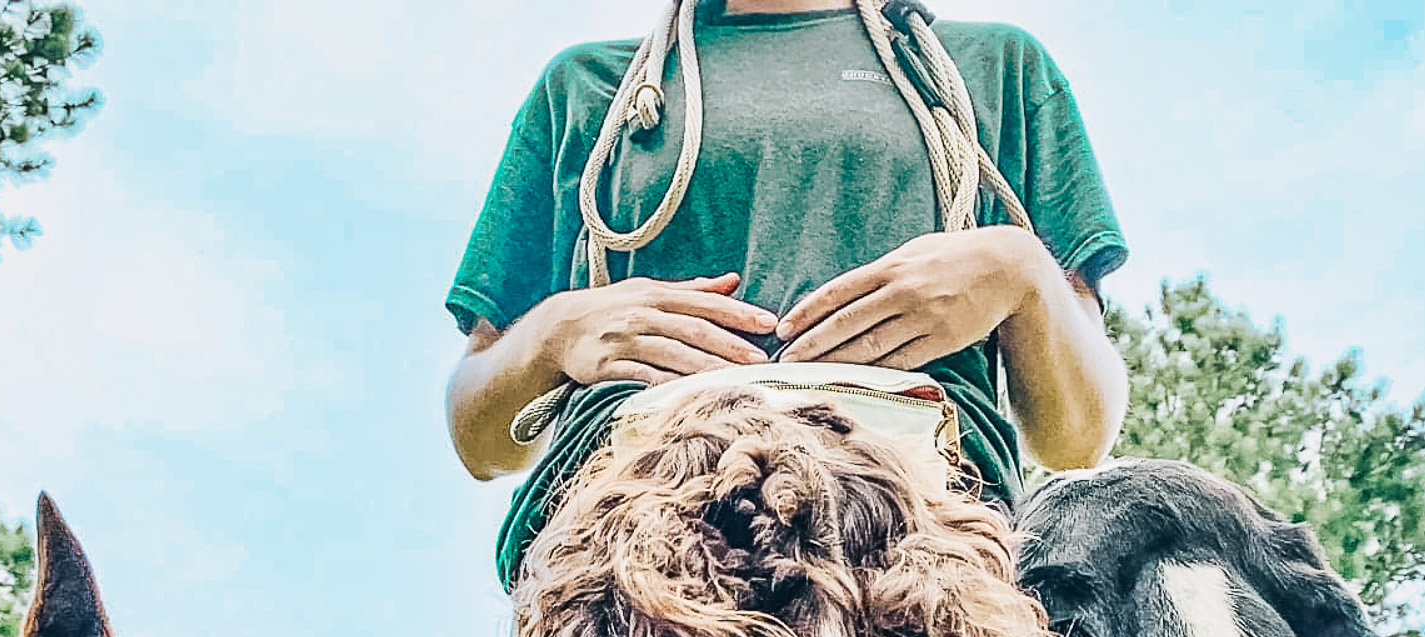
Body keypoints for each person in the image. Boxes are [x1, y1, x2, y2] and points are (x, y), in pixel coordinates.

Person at [446, 0, 1128, 585]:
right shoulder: (587, 89)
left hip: (922, 534)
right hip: (631, 535)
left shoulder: (996, 71)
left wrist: (1023, 273)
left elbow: (1079, 437)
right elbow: (479, 439)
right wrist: (555, 333)